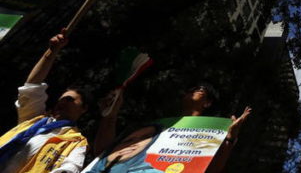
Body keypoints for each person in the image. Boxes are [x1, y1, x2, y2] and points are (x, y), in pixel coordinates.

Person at [92, 83, 251, 173]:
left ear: (208, 103)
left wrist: (230, 139)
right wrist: (110, 116)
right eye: (189, 88)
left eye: (200, 89)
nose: (191, 90)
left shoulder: (213, 134)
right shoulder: (155, 128)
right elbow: (103, 153)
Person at [0, 29, 90, 173]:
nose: (62, 102)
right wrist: (52, 51)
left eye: (69, 99)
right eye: (61, 99)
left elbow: (71, 168)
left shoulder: (76, 142)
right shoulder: (34, 120)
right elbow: (31, 87)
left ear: (83, 108)